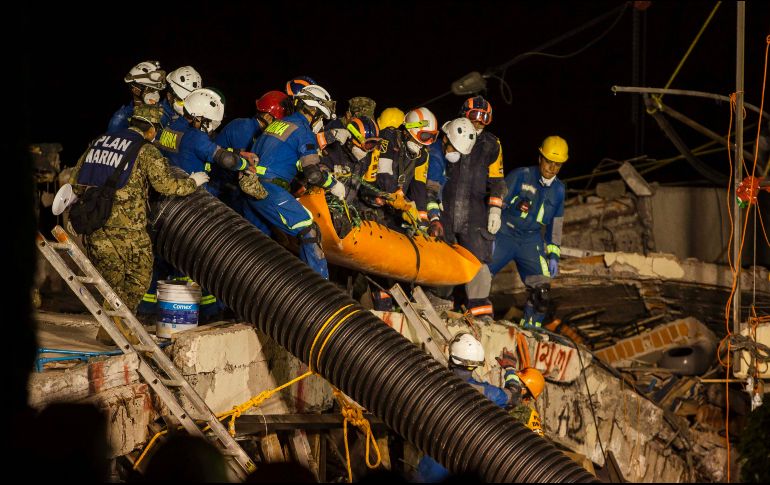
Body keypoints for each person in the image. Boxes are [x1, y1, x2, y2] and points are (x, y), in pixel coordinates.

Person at [70, 104, 206, 342]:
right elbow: (166, 185)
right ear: (152, 129)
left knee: (112, 284)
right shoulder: (146, 150)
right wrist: (193, 182)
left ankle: (111, 332)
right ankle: (118, 329)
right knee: (139, 278)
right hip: (128, 231)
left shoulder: (99, 143)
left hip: (95, 226)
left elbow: (75, 182)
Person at [148, 88, 256, 321]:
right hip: (191, 207)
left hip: (163, 205)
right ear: (200, 118)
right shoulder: (196, 137)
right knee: (201, 261)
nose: (212, 128)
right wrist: (242, 164)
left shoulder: (171, 127)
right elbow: (224, 159)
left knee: (161, 261)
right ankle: (209, 313)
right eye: (211, 124)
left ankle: (146, 310)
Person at [244, 84, 340, 278]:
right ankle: (318, 289)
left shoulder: (278, 124)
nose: (320, 122)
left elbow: (279, 157)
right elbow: (313, 174)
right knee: (309, 230)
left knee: (253, 247)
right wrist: (334, 185)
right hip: (270, 190)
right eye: (321, 117)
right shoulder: (303, 130)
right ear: (314, 111)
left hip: (250, 187)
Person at [414, 333, 525, 482]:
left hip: (429, 469)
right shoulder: (485, 392)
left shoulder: (435, 382)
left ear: (452, 358)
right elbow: (514, 394)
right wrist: (510, 369)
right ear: (476, 365)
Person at [488, 136, 567, 328]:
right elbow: (498, 200)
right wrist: (490, 225)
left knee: (542, 291)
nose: (552, 168)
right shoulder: (521, 175)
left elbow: (556, 224)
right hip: (504, 233)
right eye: (549, 161)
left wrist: (554, 255)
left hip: (530, 240)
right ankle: (464, 312)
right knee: (479, 275)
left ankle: (529, 329)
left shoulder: (559, 190)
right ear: (540, 158)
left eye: (557, 164)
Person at [439, 97, 506, 320]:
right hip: (446, 207)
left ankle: (479, 312)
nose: (478, 122)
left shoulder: (492, 145)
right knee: (442, 254)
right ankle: (439, 302)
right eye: (474, 116)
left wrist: (495, 209)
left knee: (478, 259)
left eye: (484, 119)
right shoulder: (450, 133)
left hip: (474, 211)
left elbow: (497, 180)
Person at [214, 90, 290, 212]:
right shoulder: (244, 128)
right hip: (219, 185)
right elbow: (243, 166)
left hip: (226, 183)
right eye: (278, 122)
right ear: (267, 117)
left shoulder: (255, 131)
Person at [107, 61, 166, 133]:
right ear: (135, 89)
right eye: (151, 89)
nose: (156, 95)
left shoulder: (164, 111)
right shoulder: (120, 119)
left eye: (157, 90)